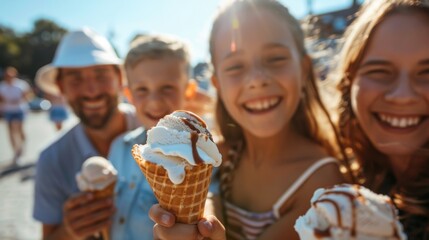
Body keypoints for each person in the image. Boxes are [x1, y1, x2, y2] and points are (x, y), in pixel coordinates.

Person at [149, 0, 353, 239]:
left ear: (304, 69)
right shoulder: (217, 155)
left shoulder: (323, 184)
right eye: (235, 66)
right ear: (218, 85)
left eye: (275, 59)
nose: (257, 79)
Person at [331, 0, 429, 238]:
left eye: (427, 73)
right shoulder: (336, 180)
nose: (402, 96)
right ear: (348, 82)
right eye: (379, 71)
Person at [33, 28, 139, 239]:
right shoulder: (52, 160)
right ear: (61, 87)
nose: (91, 91)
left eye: (101, 75)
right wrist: (70, 230)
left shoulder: (156, 134)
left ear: (119, 79)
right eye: (76, 79)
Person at [107, 34, 196, 239]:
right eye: (142, 90)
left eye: (167, 88)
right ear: (128, 95)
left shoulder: (198, 157)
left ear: (188, 90)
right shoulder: (119, 146)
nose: (154, 101)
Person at [0, 66, 32, 165]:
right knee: (11, 132)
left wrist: (20, 99)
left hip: (19, 110)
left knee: (19, 130)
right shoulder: (2, 86)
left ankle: (21, 147)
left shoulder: (21, 84)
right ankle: (16, 152)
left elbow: (28, 95)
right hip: (8, 111)